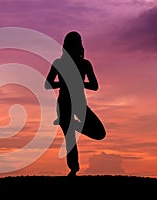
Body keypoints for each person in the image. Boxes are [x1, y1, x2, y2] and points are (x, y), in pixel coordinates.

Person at [44, 31, 106, 176]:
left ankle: (76, 126)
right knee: (70, 138)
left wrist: (79, 84)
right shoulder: (59, 63)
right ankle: (73, 170)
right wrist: (64, 83)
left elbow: (95, 86)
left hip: (80, 105)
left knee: (100, 133)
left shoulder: (85, 64)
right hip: (64, 105)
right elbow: (48, 84)